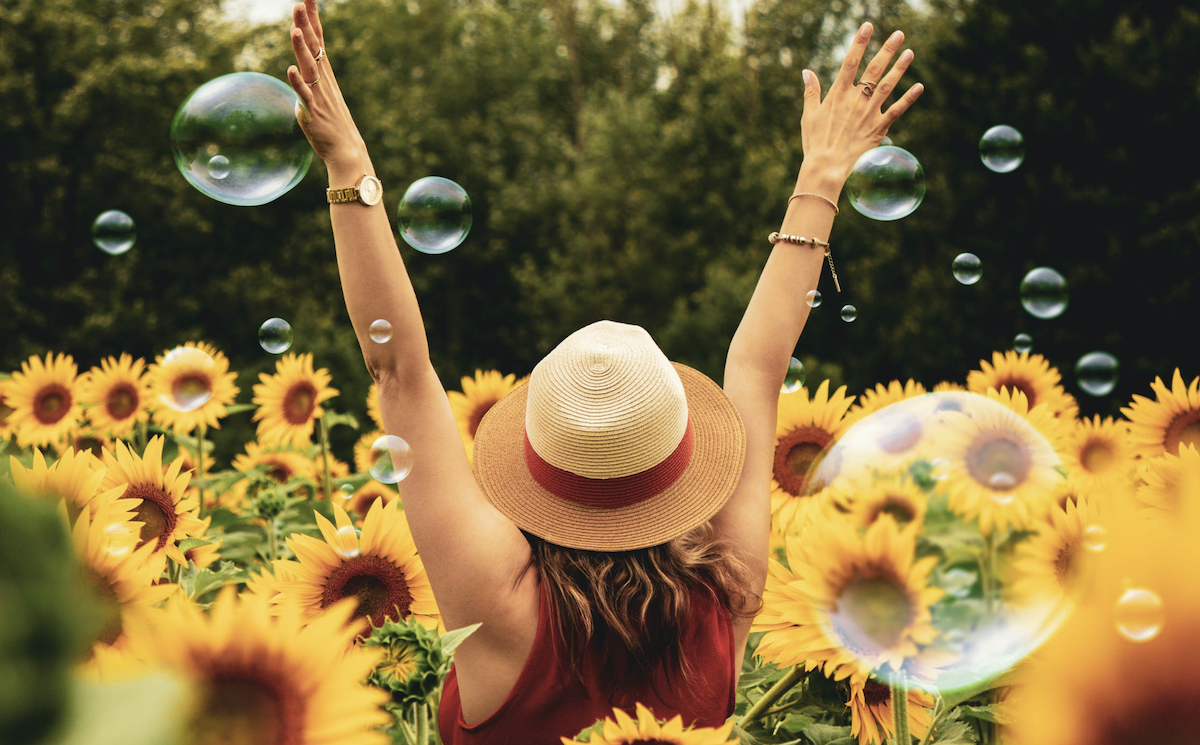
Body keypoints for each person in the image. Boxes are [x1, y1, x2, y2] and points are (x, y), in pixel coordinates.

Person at [284, 1, 922, 741]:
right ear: (680, 466)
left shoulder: (497, 602)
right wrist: (823, 171)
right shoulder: (725, 594)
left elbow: (399, 369)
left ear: (540, 459)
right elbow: (756, 364)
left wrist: (349, 166)